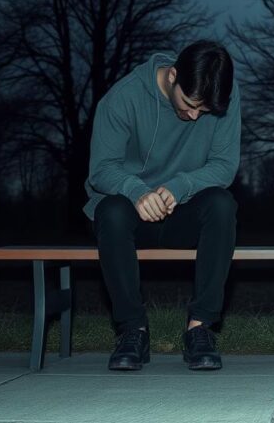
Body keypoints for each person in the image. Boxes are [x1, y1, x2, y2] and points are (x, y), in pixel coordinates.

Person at [83, 40, 240, 371]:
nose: (195, 115)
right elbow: (101, 169)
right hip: (130, 214)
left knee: (222, 204)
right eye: (189, 104)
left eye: (205, 111)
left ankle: (200, 329)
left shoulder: (220, 93)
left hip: (184, 211)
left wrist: (179, 186)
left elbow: (224, 166)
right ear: (172, 76)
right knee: (109, 210)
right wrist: (137, 192)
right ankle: (132, 331)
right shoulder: (122, 99)